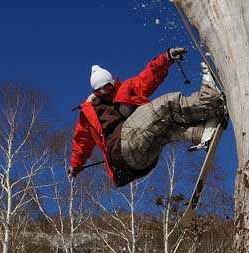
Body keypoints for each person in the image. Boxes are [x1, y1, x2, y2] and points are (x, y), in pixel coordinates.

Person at [69, 49, 225, 188]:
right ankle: (208, 100)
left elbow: (148, 77)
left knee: (164, 126)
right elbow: (81, 144)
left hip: (142, 160)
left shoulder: (126, 89)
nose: (105, 93)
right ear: (95, 93)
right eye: (100, 91)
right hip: (123, 154)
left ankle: (201, 134)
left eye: (108, 87)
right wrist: (75, 167)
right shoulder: (89, 113)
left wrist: (166, 58)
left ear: (113, 83)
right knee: (165, 105)